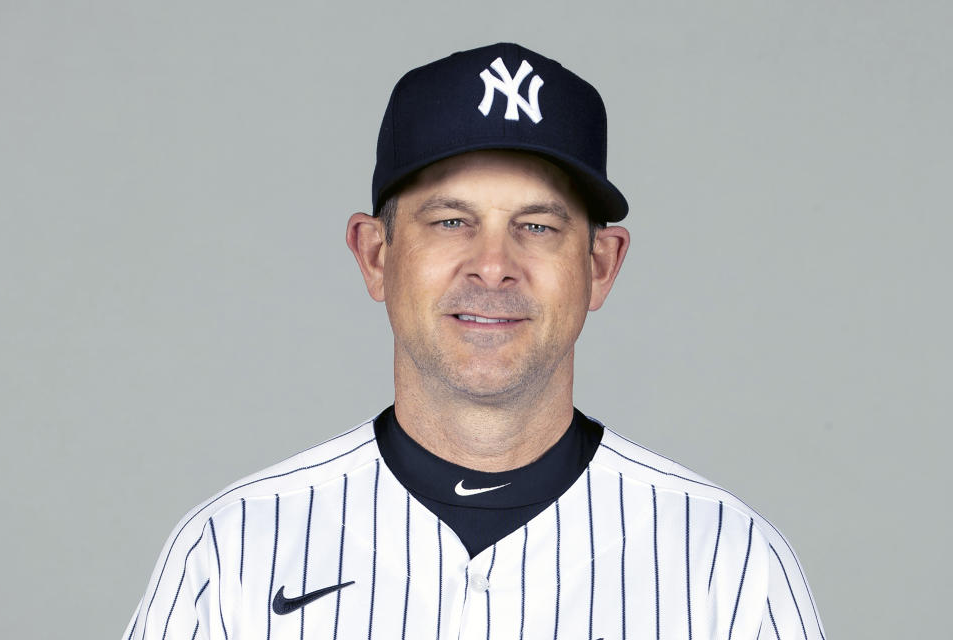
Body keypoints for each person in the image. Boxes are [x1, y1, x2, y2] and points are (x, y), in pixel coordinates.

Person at [123, 42, 825, 640]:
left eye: (540, 226)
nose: (494, 264)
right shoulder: (232, 552)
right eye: (451, 221)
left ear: (601, 266)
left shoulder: (726, 565)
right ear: (374, 255)